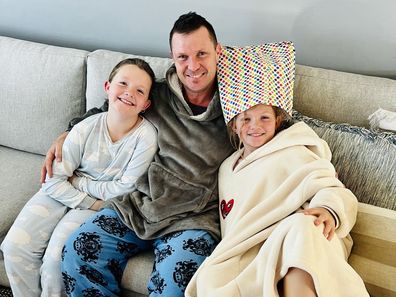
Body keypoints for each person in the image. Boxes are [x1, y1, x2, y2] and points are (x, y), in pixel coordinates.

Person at [41, 12, 234, 297]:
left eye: (202, 54)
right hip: (139, 206)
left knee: (174, 287)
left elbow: (281, 130)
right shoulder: (155, 96)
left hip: (193, 219)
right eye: (182, 57)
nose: (192, 66)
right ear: (172, 56)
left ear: (218, 52)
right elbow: (106, 113)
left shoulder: (239, 106)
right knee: (77, 249)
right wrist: (67, 133)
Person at [185, 42, 370, 297]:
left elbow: (330, 187)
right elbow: (236, 225)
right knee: (211, 277)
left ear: (278, 120)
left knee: (302, 229)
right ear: (235, 125)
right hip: (250, 250)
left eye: (264, 118)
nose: (255, 127)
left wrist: (329, 209)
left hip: (297, 237)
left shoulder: (292, 150)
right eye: (246, 119)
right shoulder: (227, 168)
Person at [1, 58, 158, 297]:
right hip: (68, 194)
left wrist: (79, 183)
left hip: (93, 205)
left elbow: (125, 189)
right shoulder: (85, 128)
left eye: (139, 90)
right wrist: (88, 198)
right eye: (123, 83)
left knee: (56, 261)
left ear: (146, 103)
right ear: (107, 87)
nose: (129, 93)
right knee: (14, 247)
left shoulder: (145, 138)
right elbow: (53, 180)